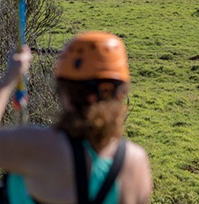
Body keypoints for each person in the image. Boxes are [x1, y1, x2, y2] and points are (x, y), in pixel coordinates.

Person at [0, 32, 152, 204]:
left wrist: (9, 79)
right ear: (120, 94)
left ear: (64, 91)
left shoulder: (38, 146)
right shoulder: (135, 163)